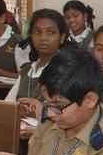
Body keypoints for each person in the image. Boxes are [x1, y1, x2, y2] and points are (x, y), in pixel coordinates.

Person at [7, 9, 72, 138]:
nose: (43, 38)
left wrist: (39, 109)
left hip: (52, 139)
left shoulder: (67, 70)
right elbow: (7, 105)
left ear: (62, 37)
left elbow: (70, 115)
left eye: (51, 32)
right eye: (37, 32)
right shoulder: (27, 69)